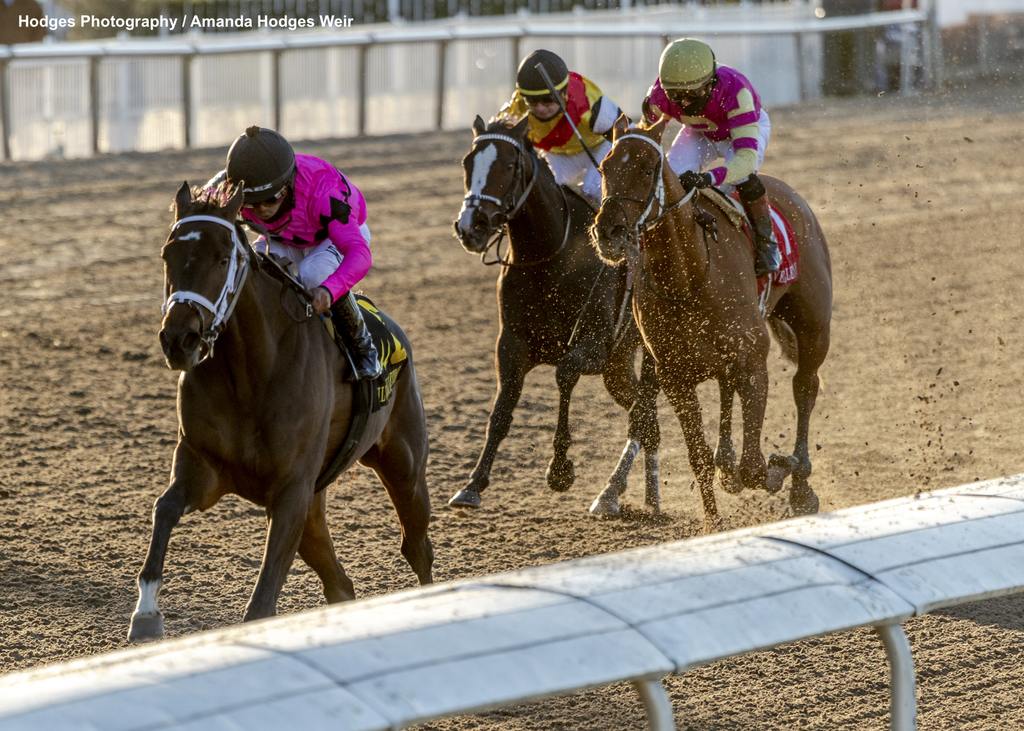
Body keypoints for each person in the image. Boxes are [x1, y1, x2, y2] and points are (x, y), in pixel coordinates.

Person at [207, 126, 381, 380]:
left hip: (330, 238)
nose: (262, 210)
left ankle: (363, 347)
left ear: (287, 184)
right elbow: (197, 212)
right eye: (251, 204)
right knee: (251, 274)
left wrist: (329, 290)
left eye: (270, 200)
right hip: (282, 239)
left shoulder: (326, 192)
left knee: (313, 274)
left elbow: (360, 254)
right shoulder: (226, 187)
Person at [643, 38, 781, 277]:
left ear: (711, 82)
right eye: (676, 95)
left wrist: (708, 178)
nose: (684, 101)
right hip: (699, 132)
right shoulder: (659, 95)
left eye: (691, 94)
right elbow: (645, 137)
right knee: (670, 182)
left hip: (739, 133)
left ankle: (766, 241)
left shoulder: (736, 91)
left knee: (741, 180)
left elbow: (745, 160)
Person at [498, 49, 624, 205]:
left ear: (563, 93)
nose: (540, 108)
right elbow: (497, 132)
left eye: (547, 100)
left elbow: (625, 134)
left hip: (600, 147)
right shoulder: (518, 105)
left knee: (591, 189)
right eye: (532, 101)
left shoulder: (588, 103)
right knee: (549, 191)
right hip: (559, 153)